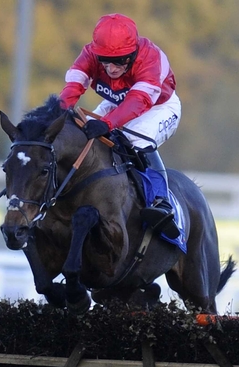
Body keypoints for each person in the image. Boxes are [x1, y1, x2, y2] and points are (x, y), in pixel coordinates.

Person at [59, 13, 180, 239]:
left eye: (120, 61)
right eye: (105, 60)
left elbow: (138, 102)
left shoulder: (152, 58)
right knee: (82, 134)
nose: (112, 69)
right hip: (119, 103)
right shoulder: (89, 55)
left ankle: (162, 203)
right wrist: (59, 112)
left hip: (159, 107)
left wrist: (107, 123)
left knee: (136, 139)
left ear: (133, 53)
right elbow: (73, 87)